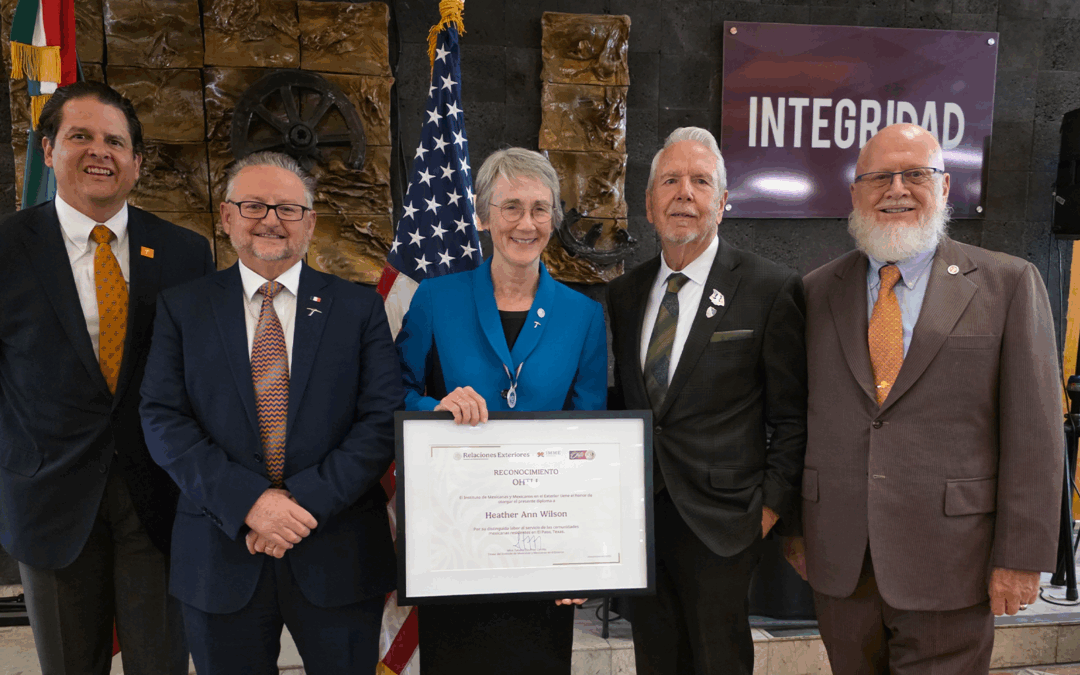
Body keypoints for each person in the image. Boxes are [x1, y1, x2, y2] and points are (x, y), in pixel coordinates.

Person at [793, 123, 1064, 673]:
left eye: (915, 174)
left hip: (954, 561)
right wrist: (798, 532)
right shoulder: (816, 291)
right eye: (879, 177)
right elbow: (796, 418)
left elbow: (1035, 431)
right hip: (842, 562)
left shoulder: (1008, 284)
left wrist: (1022, 556)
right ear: (854, 193)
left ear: (944, 188)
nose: (897, 188)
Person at [139, 151, 403, 674]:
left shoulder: (358, 308)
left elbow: (380, 420)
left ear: (309, 222)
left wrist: (294, 508)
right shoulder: (182, 307)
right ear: (226, 216)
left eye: (287, 208)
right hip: (220, 553)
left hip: (337, 553)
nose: (270, 220)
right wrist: (250, 505)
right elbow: (163, 418)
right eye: (254, 205)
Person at [0, 81, 214, 675]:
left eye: (116, 141)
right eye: (81, 136)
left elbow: (202, 378)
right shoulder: (6, 249)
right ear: (48, 150)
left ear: (137, 163)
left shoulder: (184, 253)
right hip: (48, 504)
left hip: (160, 502)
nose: (100, 152)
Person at [395, 147, 607, 674]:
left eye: (540, 209)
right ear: (483, 215)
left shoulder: (584, 316)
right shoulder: (435, 299)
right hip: (455, 539)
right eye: (510, 206)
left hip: (544, 545)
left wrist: (584, 555)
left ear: (553, 220)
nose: (525, 223)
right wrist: (434, 406)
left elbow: (594, 439)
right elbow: (389, 394)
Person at [607, 126, 807, 675]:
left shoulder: (770, 287)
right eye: (670, 180)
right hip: (643, 518)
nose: (684, 193)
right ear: (649, 205)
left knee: (719, 662)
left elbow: (792, 416)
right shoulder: (625, 294)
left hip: (724, 523)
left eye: (700, 181)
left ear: (723, 202)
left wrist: (766, 511)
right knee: (655, 658)